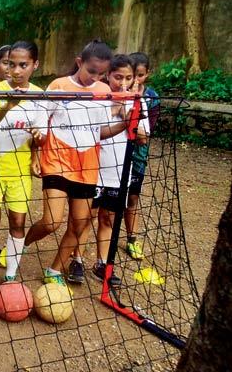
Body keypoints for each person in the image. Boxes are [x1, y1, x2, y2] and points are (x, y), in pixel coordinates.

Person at [24, 39, 130, 287]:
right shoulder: (59, 85)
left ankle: (54, 270)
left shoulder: (103, 92)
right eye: (91, 71)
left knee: (80, 223)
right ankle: (22, 243)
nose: (95, 77)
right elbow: (40, 119)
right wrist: (36, 152)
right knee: (51, 221)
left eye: (101, 74)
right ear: (79, 62)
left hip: (87, 167)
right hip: (57, 160)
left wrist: (125, 124)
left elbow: (99, 132)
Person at [70, 54, 149, 285]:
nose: (122, 83)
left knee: (109, 218)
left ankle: (102, 263)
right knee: (86, 217)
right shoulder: (98, 97)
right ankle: (77, 259)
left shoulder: (137, 101)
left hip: (120, 172)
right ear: (107, 76)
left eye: (128, 78)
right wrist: (114, 111)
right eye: (117, 77)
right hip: (93, 169)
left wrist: (127, 115)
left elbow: (143, 138)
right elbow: (89, 129)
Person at [0, 41, 47, 283]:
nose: (16, 71)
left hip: (20, 169)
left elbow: (40, 135)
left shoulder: (40, 96)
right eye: (11, 64)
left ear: (35, 65)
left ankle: (10, 275)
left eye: (23, 65)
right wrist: (8, 105)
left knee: (18, 220)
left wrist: (39, 139)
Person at [124, 52, 160, 260]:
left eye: (140, 75)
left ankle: (132, 239)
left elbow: (145, 134)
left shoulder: (152, 97)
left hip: (138, 156)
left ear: (147, 74)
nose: (135, 80)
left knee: (133, 197)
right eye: (132, 75)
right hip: (116, 155)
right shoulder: (117, 93)